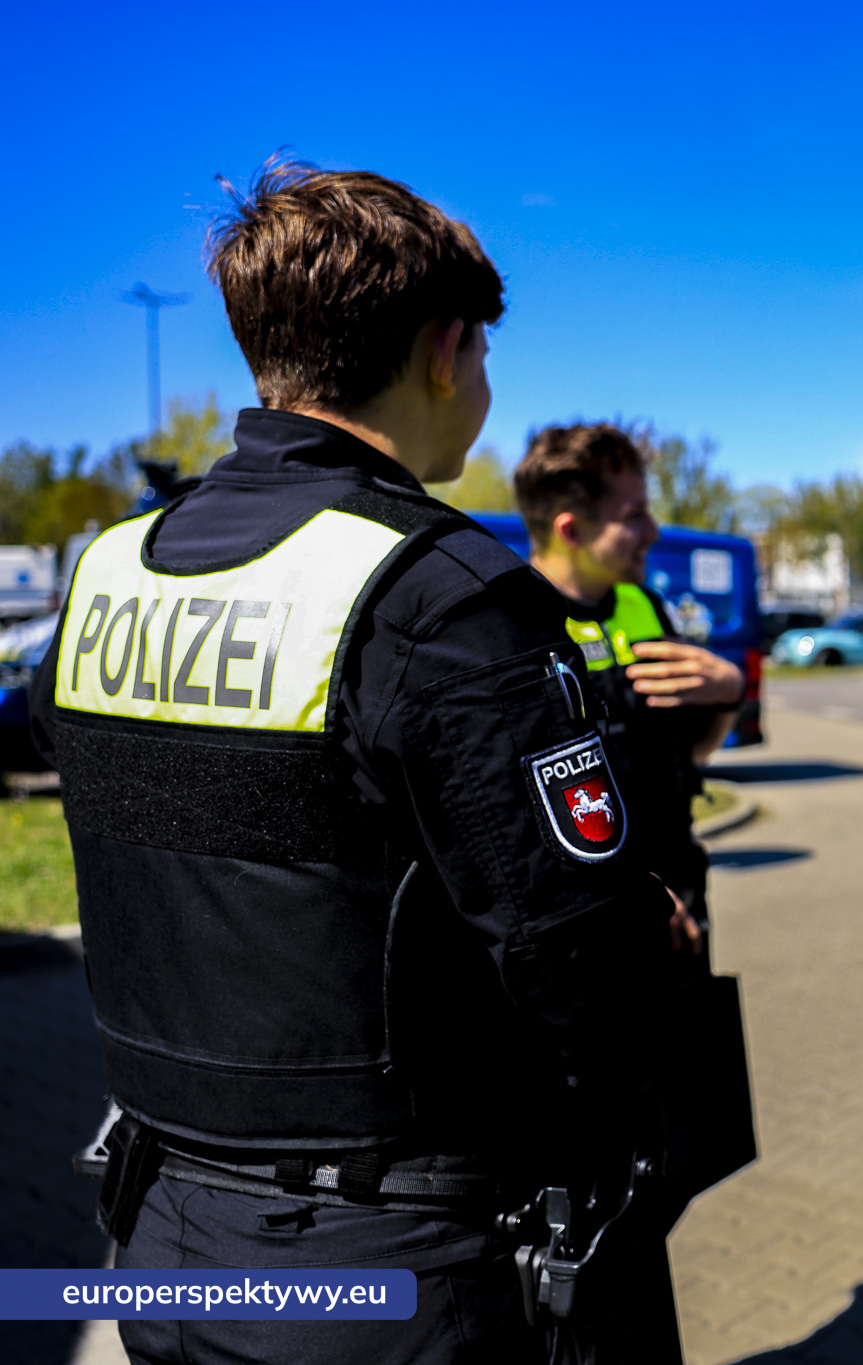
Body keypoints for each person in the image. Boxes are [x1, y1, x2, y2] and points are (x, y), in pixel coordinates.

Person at [29, 159, 674, 1364]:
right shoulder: (444, 592)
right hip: (377, 1265)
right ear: (444, 351)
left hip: (159, 1233)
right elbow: (570, 953)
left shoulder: (111, 570)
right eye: (482, 354)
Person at [514, 422, 746, 1362]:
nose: (652, 531)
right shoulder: (513, 628)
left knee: (676, 1151)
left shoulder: (643, 607)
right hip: (596, 950)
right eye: (633, 514)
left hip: (679, 929)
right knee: (593, 1182)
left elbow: (685, 757)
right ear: (570, 523)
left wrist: (724, 693)